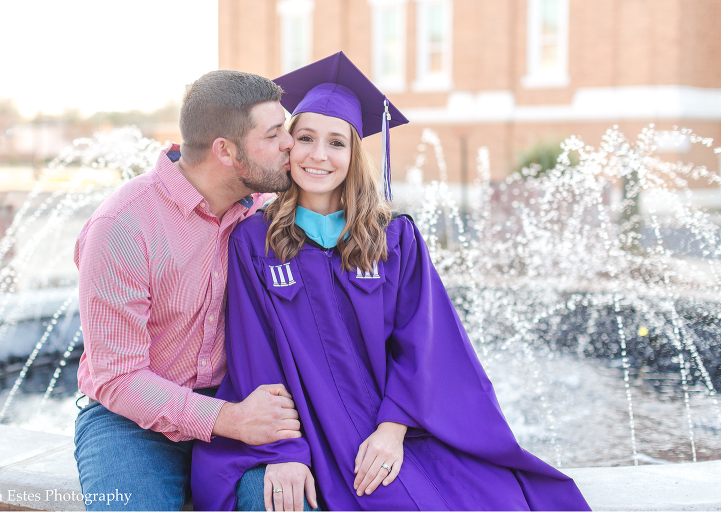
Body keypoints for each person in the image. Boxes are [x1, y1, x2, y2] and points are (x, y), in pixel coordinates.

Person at [190, 52, 591, 511]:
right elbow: (256, 358)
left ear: (353, 155)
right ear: (288, 146)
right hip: (311, 431)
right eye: (305, 138)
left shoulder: (393, 239)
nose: (319, 155)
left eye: (336, 143)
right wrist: (285, 453)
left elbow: (425, 342)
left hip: (391, 426)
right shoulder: (255, 241)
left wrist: (392, 429)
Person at [73, 70, 306, 511]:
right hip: (132, 422)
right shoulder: (122, 226)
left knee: (280, 502)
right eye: (274, 134)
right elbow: (118, 378)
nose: (289, 143)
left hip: (237, 398)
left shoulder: (263, 214)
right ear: (225, 151)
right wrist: (231, 419)